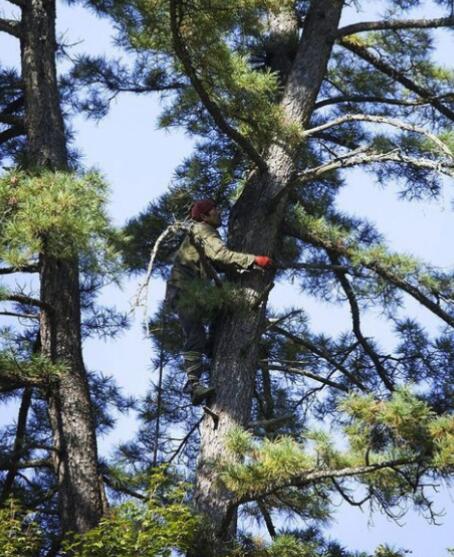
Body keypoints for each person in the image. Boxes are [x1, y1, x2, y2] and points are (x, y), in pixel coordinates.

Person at [166, 199, 273, 405]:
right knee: (196, 335)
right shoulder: (204, 230)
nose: (219, 212)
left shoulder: (200, 231)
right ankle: (193, 384)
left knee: (221, 309)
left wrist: (244, 267)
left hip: (187, 291)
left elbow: (216, 262)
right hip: (185, 291)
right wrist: (254, 260)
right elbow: (221, 255)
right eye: (214, 210)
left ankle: (212, 345)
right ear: (205, 216)